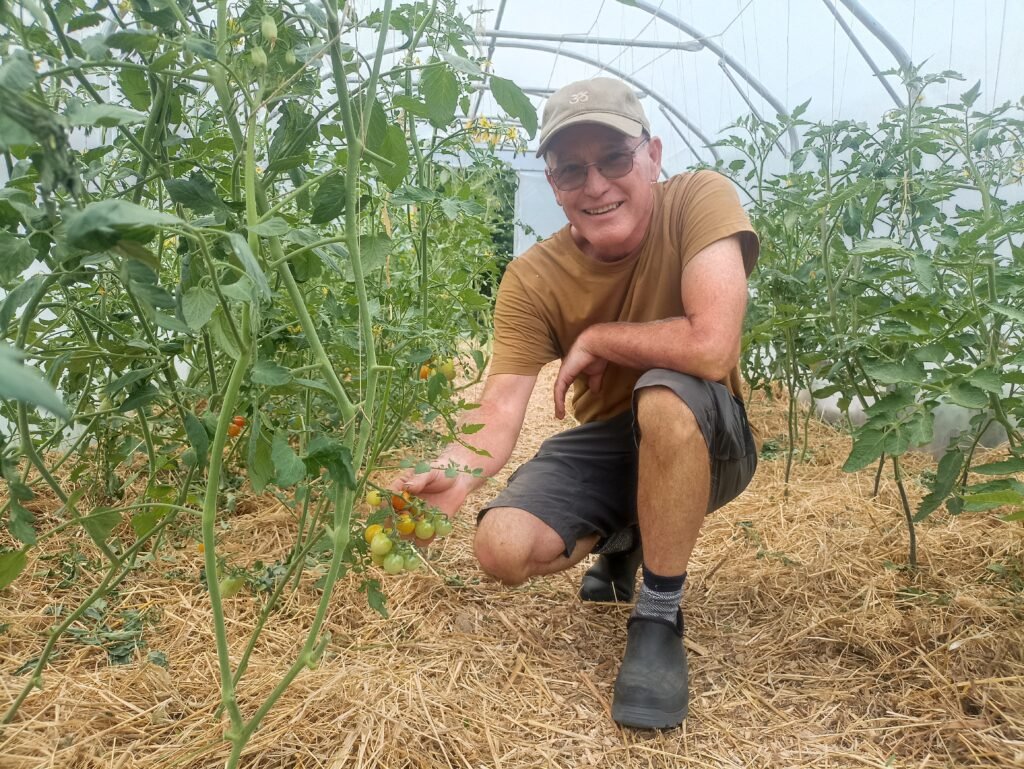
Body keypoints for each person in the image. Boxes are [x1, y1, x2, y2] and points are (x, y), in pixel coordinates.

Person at [392, 76, 759, 729]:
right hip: (614, 442)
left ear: (653, 154)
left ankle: (657, 615)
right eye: (570, 170)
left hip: (707, 433)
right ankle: (627, 536)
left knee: (664, 393)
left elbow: (711, 345)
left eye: (615, 158)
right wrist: (448, 473)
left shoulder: (700, 199)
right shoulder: (533, 277)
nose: (595, 185)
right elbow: (500, 408)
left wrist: (600, 338)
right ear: (552, 181)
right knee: (502, 546)